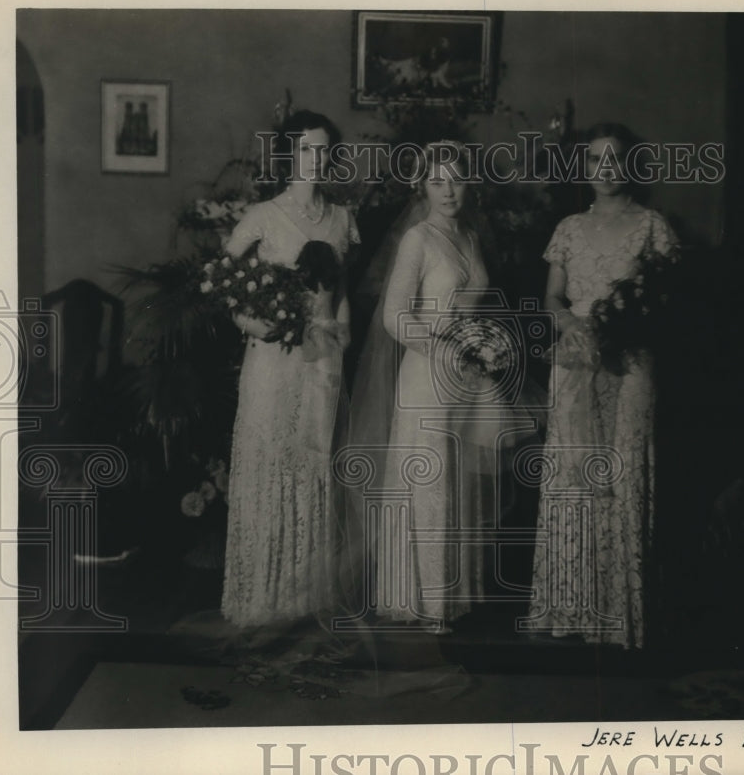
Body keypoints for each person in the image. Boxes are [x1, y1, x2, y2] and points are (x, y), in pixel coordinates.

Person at [526, 122, 679, 649]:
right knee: (574, 472)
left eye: (613, 159)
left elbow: (667, 301)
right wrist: (571, 324)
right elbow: (552, 299)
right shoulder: (568, 228)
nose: (604, 169)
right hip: (574, 355)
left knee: (624, 467)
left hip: (631, 358)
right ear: (583, 169)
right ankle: (571, 609)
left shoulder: (653, 225)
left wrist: (628, 326)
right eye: (593, 160)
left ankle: (621, 615)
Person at [348, 141, 498, 633]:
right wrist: (445, 346)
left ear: (469, 181)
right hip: (426, 375)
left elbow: (474, 307)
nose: (448, 190)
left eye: (455, 178)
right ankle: (425, 600)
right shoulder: (418, 237)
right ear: (422, 187)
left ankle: (453, 595)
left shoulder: (472, 236)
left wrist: (480, 344)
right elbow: (394, 315)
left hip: (466, 379)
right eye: (437, 181)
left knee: (457, 480)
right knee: (429, 482)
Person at [220, 110, 360, 628]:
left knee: (312, 466)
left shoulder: (344, 219)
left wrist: (340, 333)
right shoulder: (261, 215)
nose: (315, 160)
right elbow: (225, 289)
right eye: (305, 150)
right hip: (274, 360)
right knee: (271, 461)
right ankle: (261, 599)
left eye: (323, 150)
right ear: (288, 155)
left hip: (323, 362)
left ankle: (307, 599)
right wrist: (268, 330)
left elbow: (341, 293)